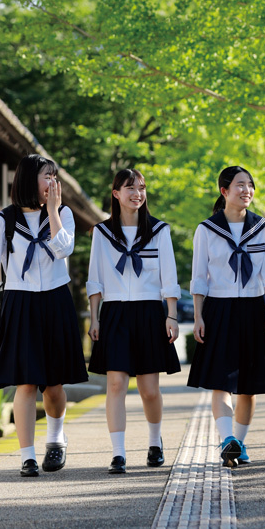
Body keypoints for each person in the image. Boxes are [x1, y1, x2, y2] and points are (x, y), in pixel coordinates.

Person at [0, 154, 88, 477]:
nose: (52, 182)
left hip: (56, 302)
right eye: (46, 176)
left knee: (53, 384)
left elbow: (65, 249)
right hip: (20, 303)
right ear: (28, 180)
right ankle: (27, 457)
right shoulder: (3, 221)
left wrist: (52, 212)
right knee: (25, 384)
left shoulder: (63, 214)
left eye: (54, 176)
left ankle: (55, 440)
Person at [188, 165, 265, 467]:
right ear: (224, 191)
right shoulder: (207, 229)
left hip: (255, 308)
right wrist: (198, 316)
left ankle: (239, 443)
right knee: (221, 381)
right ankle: (226, 439)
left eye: (250, 185)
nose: (247, 191)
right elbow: (199, 277)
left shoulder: (263, 227)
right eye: (240, 185)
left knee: (249, 384)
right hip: (219, 308)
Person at [87, 168, 181, 474]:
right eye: (129, 188)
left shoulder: (159, 231)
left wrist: (171, 315)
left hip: (150, 313)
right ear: (116, 194)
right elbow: (95, 279)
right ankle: (118, 453)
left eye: (141, 187)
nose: (136, 193)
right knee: (115, 384)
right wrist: (95, 318)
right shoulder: (102, 233)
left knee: (149, 389)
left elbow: (169, 277)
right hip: (115, 313)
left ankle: (155, 442)